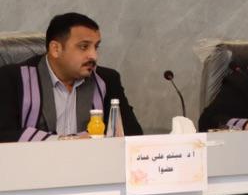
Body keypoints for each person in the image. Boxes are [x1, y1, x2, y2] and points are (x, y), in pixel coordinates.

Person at [0, 12, 143, 141]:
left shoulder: (106, 79)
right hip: (35, 161)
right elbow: (4, 135)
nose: (94, 56)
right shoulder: (13, 78)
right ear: (56, 49)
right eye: (84, 47)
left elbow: (132, 136)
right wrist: (64, 141)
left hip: (91, 161)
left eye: (96, 47)